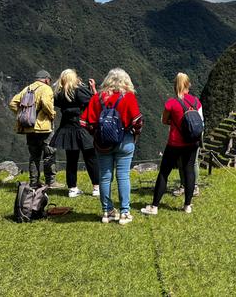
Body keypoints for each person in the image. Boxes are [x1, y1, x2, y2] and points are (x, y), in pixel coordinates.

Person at [81, 68, 142, 225]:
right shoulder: (128, 97)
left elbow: (84, 122)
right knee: (123, 175)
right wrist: (135, 134)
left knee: (105, 176)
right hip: (125, 141)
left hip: (102, 144)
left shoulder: (97, 98)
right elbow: (137, 121)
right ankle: (124, 213)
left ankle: (107, 212)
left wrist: (96, 135)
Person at [141, 72, 202, 216]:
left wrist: (174, 122)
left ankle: (154, 206)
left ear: (175, 85)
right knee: (189, 171)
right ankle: (187, 206)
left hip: (175, 143)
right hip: (192, 142)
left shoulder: (171, 103)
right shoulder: (196, 101)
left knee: (164, 172)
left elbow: (164, 120)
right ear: (188, 85)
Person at [9, 70, 63, 189]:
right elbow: (45, 102)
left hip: (29, 127)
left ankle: (34, 182)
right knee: (49, 153)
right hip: (44, 128)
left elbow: (13, 103)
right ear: (47, 79)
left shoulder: (27, 88)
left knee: (34, 156)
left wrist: (22, 114)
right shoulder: (46, 88)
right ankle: (51, 181)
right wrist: (52, 114)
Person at [51, 69, 99, 197]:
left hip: (66, 128)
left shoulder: (59, 94)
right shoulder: (78, 90)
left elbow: (55, 101)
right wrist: (92, 88)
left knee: (71, 160)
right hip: (81, 127)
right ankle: (96, 187)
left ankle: (72, 188)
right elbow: (94, 102)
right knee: (90, 157)